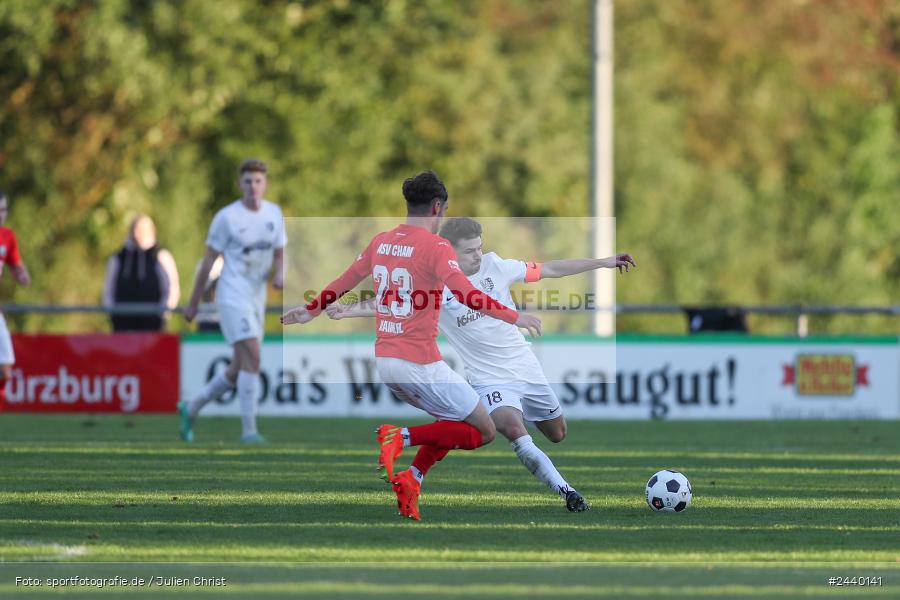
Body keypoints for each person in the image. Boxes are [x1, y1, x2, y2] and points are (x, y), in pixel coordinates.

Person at [280, 172, 542, 520]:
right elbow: (467, 295)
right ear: (437, 207)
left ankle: (412, 479)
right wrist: (514, 317)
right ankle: (399, 436)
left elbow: (346, 280)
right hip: (420, 363)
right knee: (483, 430)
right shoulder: (436, 247)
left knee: (449, 421)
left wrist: (311, 310)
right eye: (444, 211)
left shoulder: (381, 242)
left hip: (386, 361)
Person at [328, 216, 636, 512]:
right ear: (450, 251)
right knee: (512, 430)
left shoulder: (496, 266)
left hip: (525, 367)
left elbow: (550, 268)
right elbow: (389, 303)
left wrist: (604, 262)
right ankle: (568, 493)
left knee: (557, 433)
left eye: (479, 247)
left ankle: (413, 473)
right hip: (488, 379)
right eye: (470, 250)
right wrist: (347, 310)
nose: (478, 254)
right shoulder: (437, 284)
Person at [180, 159, 286, 444]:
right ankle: (249, 431)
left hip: (256, 299)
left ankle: (191, 408)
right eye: (248, 181)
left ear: (265, 184)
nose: (253, 186)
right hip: (231, 295)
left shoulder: (274, 214)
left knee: (239, 365)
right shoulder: (226, 218)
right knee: (253, 353)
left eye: (258, 181)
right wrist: (193, 303)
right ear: (240, 184)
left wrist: (281, 275)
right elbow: (207, 263)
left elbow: (280, 252)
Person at [102, 215, 180, 331]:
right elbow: (108, 290)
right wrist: (112, 314)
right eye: (135, 229)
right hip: (122, 324)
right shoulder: (119, 258)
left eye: (142, 230)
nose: (137, 234)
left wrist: (163, 314)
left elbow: (172, 288)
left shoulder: (160, 256)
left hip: (153, 325)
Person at [0, 190, 31, 405]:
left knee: (6, 368)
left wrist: (21, 274)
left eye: (3, 210)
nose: (0, 215)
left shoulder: (7, 236)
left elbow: (16, 263)